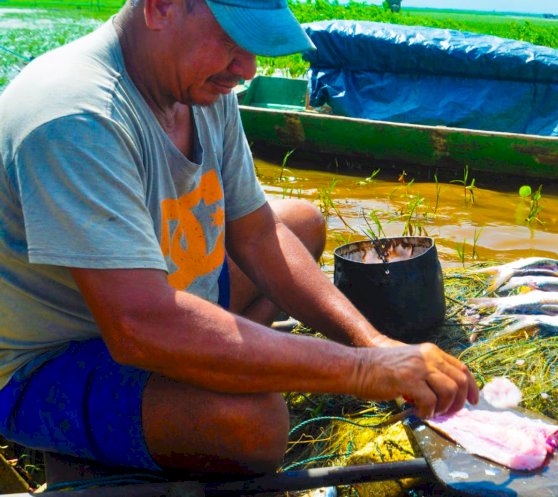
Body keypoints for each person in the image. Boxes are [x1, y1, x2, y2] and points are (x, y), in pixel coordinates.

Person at [0, 0, 479, 475]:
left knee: (300, 221)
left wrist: (370, 343)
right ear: (161, 7)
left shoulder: (201, 91)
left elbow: (257, 233)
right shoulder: (77, 116)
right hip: (53, 358)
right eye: (233, 39)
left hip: (158, 298)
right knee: (255, 425)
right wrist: (362, 372)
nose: (246, 68)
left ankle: (215, 356)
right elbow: (139, 325)